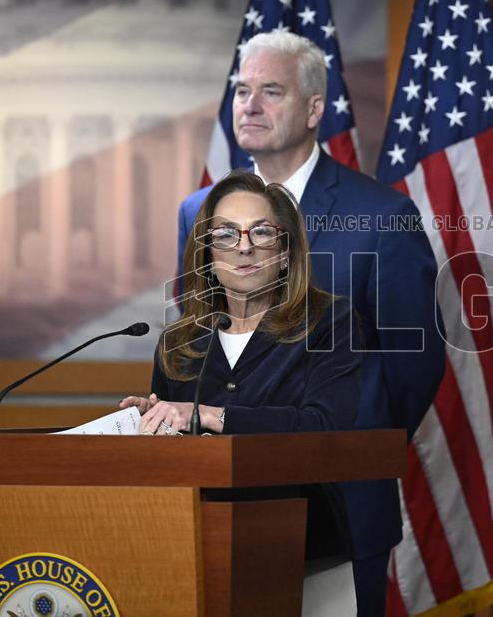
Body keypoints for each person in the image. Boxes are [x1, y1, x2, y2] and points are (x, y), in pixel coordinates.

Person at [176, 31, 445, 615]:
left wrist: (345, 448)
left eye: (270, 91)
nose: (248, 105)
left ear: (315, 108)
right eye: (242, 90)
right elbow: (195, 343)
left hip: (340, 505)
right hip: (214, 503)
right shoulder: (198, 213)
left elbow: (413, 365)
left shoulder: (383, 216)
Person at [121, 171, 359, 436]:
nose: (244, 247)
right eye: (225, 234)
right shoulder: (178, 343)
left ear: (284, 254)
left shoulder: (326, 321)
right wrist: (157, 418)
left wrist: (210, 415)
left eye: (261, 232)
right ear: (209, 258)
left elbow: (328, 426)